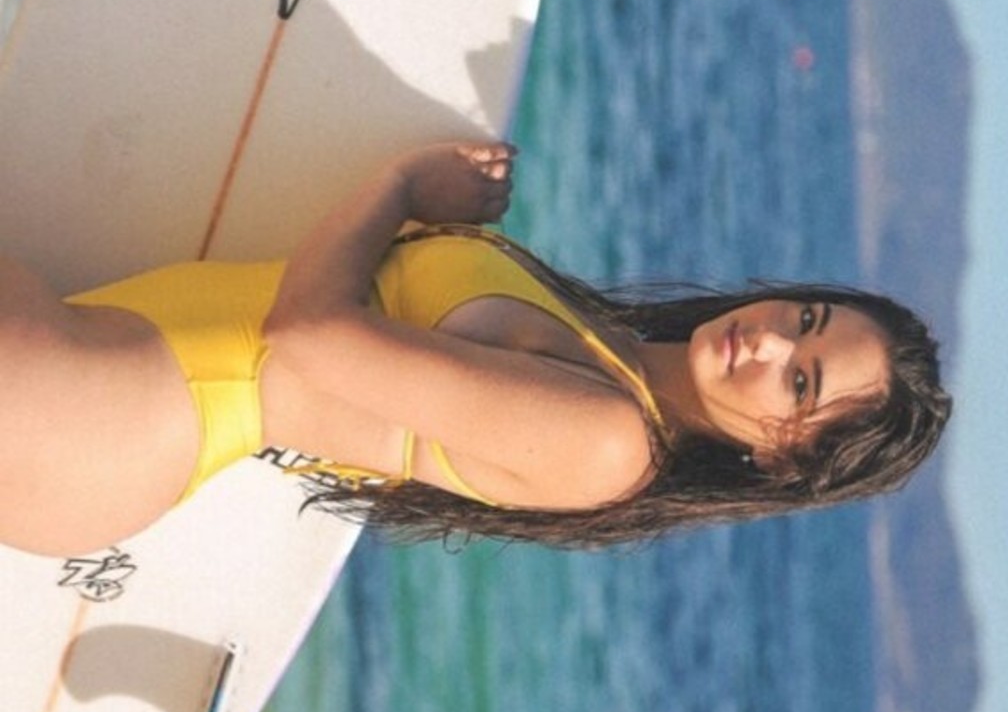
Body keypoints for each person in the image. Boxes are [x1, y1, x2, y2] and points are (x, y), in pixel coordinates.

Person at [0, 142, 950, 558]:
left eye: (800, 381)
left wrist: (401, 186)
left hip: (110, 408)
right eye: (809, 316)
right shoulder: (609, 349)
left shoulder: (609, 440)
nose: (772, 337)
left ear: (784, 457)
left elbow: (308, 334)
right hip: (109, 384)